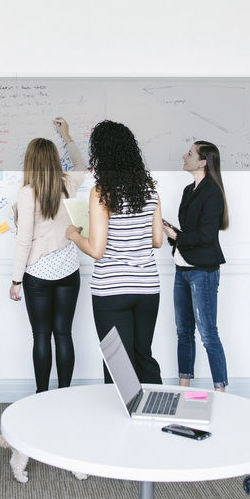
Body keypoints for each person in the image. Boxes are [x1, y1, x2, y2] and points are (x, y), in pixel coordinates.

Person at [66, 120, 164, 384]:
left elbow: (97, 250)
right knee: (143, 356)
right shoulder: (149, 189)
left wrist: (75, 235)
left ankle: (121, 422)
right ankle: (156, 417)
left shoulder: (102, 192)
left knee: (118, 365)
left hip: (112, 289)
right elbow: (157, 241)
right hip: (147, 288)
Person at [10, 117, 86, 392]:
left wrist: (16, 280)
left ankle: (42, 395)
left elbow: (24, 239)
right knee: (64, 334)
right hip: (68, 269)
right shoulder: (68, 183)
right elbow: (81, 166)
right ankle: (63, 393)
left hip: (38, 274)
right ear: (55, 159)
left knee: (41, 335)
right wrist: (67, 136)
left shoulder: (27, 193)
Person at [164, 140, 230, 392]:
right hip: (182, 269)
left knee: (208, 335)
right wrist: (173, 232)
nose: (184, 156)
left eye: (190, 153)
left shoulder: (213, 192)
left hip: (203, 271)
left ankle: (221, 393)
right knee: (183, 332)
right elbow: (192, 232)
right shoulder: (187, 190)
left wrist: (176, 236)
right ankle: (184, 389)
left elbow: (206, 236)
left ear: (203, 161)